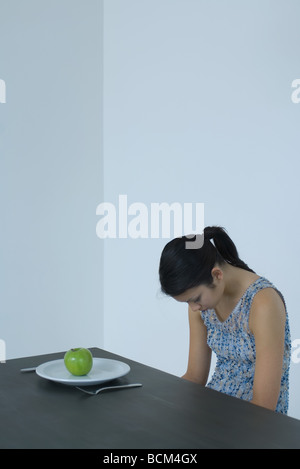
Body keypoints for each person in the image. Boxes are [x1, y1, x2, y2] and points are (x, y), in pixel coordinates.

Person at [159, 226, 291, 414]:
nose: (193, 308)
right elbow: (195, 376)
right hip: (214, 413)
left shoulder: (263, 303)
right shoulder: (201, 305)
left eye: (194, 299)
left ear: (217, 275)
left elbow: (264, 407)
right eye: (187, 302)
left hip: (257, 425)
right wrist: (161, 402)